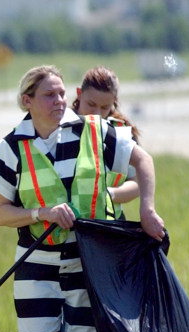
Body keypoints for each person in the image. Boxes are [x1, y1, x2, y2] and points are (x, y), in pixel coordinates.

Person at [0, 66, 165, 332]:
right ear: (27, 101)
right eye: (49, 95)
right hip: (36, 263)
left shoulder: (95, 131)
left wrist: (147, 208)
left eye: (62, 93)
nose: (60, 101)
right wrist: (40, 213)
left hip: (88, 262)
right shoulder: (10, 146)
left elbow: (143, 161)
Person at [72, 66, 140, 219]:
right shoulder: (59, 127)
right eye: (91, 104)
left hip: (108, 227)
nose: (96, 113)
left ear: (114, 103)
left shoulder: (119, 134)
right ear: (78, 94)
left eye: (104, 107)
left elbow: (137, 183)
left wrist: (109, 194)